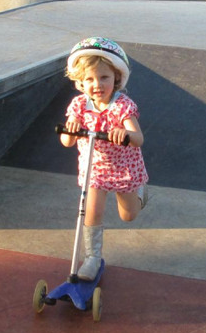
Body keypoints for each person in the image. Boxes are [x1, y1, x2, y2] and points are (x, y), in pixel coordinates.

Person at [60, 37, 149, 281]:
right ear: (81, 82)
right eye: (89, 79)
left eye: (103, 78)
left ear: (116, 79)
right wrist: (71, 128)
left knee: (128, 215)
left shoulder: (122, 106)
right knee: (91, 212)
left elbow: (139, 138)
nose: (97, 84)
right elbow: (67, 142)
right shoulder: (78, 106)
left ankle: (140, 193)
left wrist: (125, 133)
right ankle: (92, 258)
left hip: (124, 168)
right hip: (95, 169)